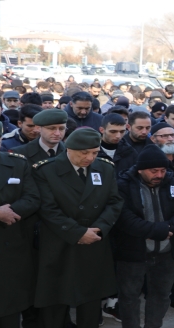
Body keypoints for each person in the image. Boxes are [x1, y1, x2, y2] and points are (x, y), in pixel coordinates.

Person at [32, 128, 123, 328]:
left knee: (90, 301)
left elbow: (115, 202)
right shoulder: (46, 170)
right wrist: (78, 232)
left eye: (94, 152)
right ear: (69, 149)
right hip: (59, 243)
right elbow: (48, 209)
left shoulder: (105, 168)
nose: (89, 157)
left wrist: (98, 228)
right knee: (55, 300)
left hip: (94, 242)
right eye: (84, 153)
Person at [115, 145, 174, 328]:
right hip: (132, 255)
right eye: (154, 171)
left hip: (166, 254)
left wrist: (171, 228)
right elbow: (124, 218)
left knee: (160, 296)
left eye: (163, 170)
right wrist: (158, 231)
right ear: (140, 169)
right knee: (129, 297)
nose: (159, 175)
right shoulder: (123, 186)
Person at [0, 119, 40, 328]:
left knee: (9, 313)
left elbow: (32, 199)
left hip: (10, 252)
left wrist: (8, 213)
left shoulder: (17, 163)